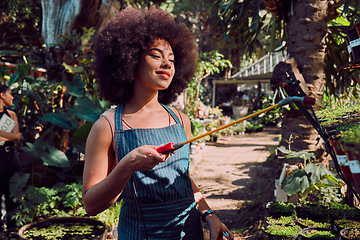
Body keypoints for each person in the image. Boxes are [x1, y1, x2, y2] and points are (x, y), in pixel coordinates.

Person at [82, 6, 234, 240]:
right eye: (156, 55)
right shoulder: (108, 126)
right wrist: (128, 165)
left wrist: (209, 215)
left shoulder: (180, 119)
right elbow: (91, 205)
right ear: (130, 58)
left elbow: (182, 179)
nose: (167, 64)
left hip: (189, 233)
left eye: (172, 59)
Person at [0, 84, 21, 230]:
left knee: (12, 194)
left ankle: (13, 230)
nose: (12, 97)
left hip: (10, 156)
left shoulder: (12, 115)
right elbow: (13, 135)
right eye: (10, 93)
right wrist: (10, 135)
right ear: (2, 95)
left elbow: (17, 136)